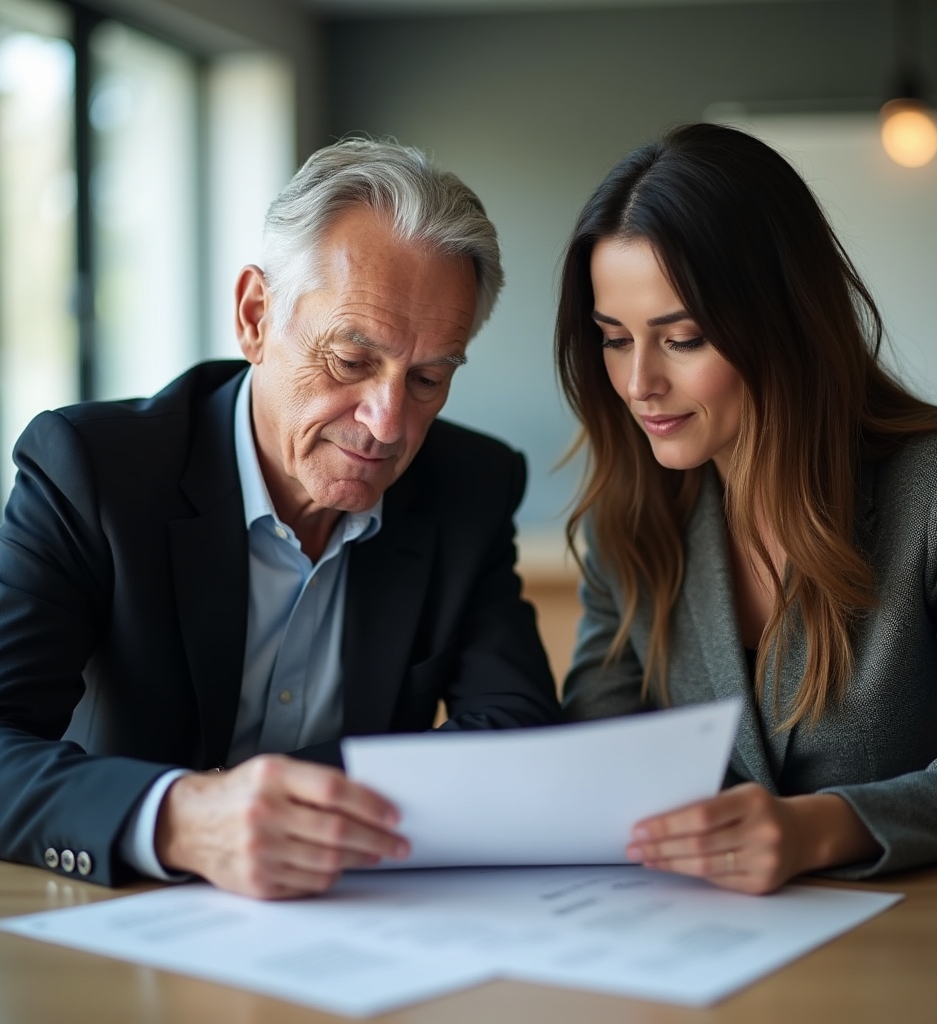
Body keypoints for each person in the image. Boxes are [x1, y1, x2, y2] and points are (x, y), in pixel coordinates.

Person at [0, 138, 560, 899]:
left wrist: (286, 811)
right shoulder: (93, 469)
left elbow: (516, 731)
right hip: (119, 909)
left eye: (428, 378)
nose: (388, 423)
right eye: (351, 361)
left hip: (352, 918)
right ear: (256, 316)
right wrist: (181, 818)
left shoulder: (470, 486)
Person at [556, 122, 937, 895]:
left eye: (683, 339)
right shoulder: (629, 519)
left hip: (919, 934)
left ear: (784, 323)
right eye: (614, 339)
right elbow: (598, 750)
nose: (639, 384)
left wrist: (818, 828)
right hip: (700, 936)